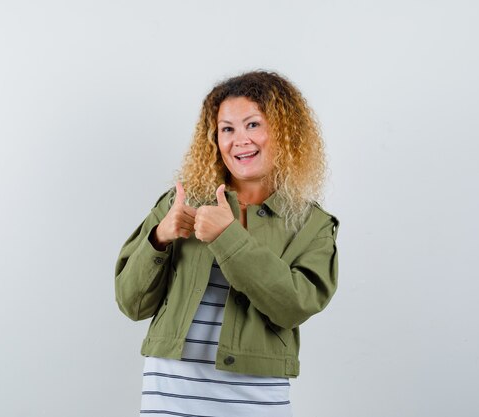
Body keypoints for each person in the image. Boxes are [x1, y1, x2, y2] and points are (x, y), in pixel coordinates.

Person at [115, 71, 339, 417]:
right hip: (171, 395)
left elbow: (293, 307)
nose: (240, 140)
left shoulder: (313, 225)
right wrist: (159, 238)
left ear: (286, 133)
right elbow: (132, 304)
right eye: (227, 129)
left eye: (253, 125)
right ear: (214, 139)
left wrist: (228, 237)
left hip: (257, 399)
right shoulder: (181, 202)